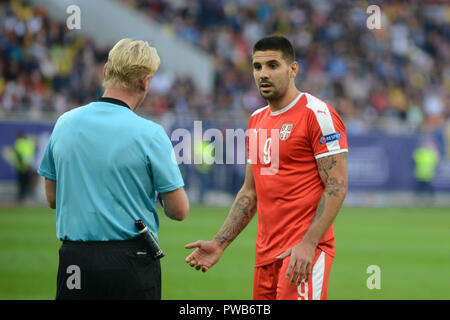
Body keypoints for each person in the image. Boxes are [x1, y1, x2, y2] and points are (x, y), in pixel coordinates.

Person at [185, 36, 348, 300]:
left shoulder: (317, 114)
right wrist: (219, 243)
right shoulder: (256, 120)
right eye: (257, 67)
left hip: (302, 254)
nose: (263, 74)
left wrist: (308, 243)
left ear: (293, 69)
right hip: (265, 258)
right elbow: (250, 192)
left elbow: (337, 184)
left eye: (273, 65)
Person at [37, 38, 189, 300]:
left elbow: (52, 198)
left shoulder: (65, 123)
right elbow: (178, 210)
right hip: (132, 260)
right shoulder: (151, 134)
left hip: (76, 259)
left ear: (106, 71)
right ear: (145, 81)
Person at [13, 131, 36, 204]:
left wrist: (26, 165)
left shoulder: (19, 143)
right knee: (26, 183)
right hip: (27, 167)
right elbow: (30, 154)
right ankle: (26, 198)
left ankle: (22, 199)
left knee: (22, 183)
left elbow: (23, 155)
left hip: (22, 167)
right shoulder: (28, 143)